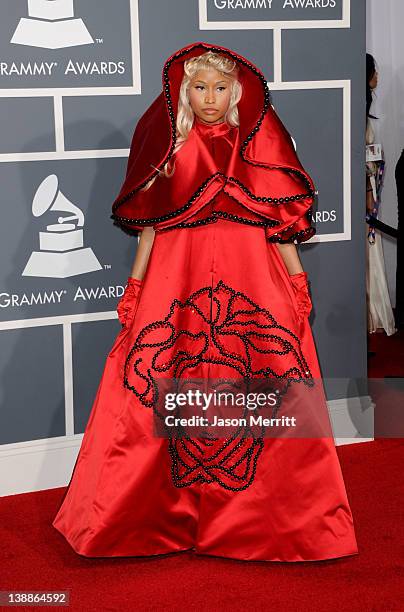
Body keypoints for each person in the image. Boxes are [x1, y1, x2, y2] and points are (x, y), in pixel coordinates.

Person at [52, 42, 358, 562]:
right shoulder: (168, 148)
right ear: (183, 92)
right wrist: (135, 286)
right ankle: (152, 516)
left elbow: (277, 219)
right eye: (200, 87)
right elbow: (151, 224)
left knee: (266, 376)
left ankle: (266, 521)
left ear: (236, 92)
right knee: (159, 376)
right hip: (177, 273)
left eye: (220, 88)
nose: (210, 98)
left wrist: (299, 280)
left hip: (250, 274)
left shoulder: (256, 143)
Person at [365, 53, 396, 336]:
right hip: (365, 198)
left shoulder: (366, 113)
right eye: (375, 71)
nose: (379, 77)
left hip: (371, 190)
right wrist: (367, 195)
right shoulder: (358, 115)